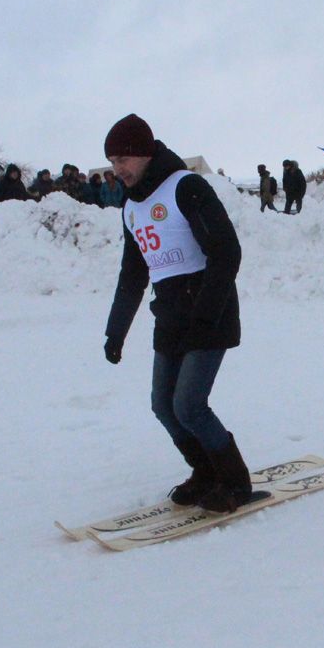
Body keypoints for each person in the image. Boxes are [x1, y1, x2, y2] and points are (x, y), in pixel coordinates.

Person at [102, 114, 254, 513]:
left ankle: (235, 482)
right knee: (163, 406)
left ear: (145, 153)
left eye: (124, 159)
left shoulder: (186, 187)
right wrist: (115, 331)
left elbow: (226, 251)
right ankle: (205, 472)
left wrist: (206, 313)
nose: (118, 170)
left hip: (209, 310)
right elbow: (133, 273)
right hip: (169, 316)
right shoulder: (131, 209)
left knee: (189, 405)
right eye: (113, 161)